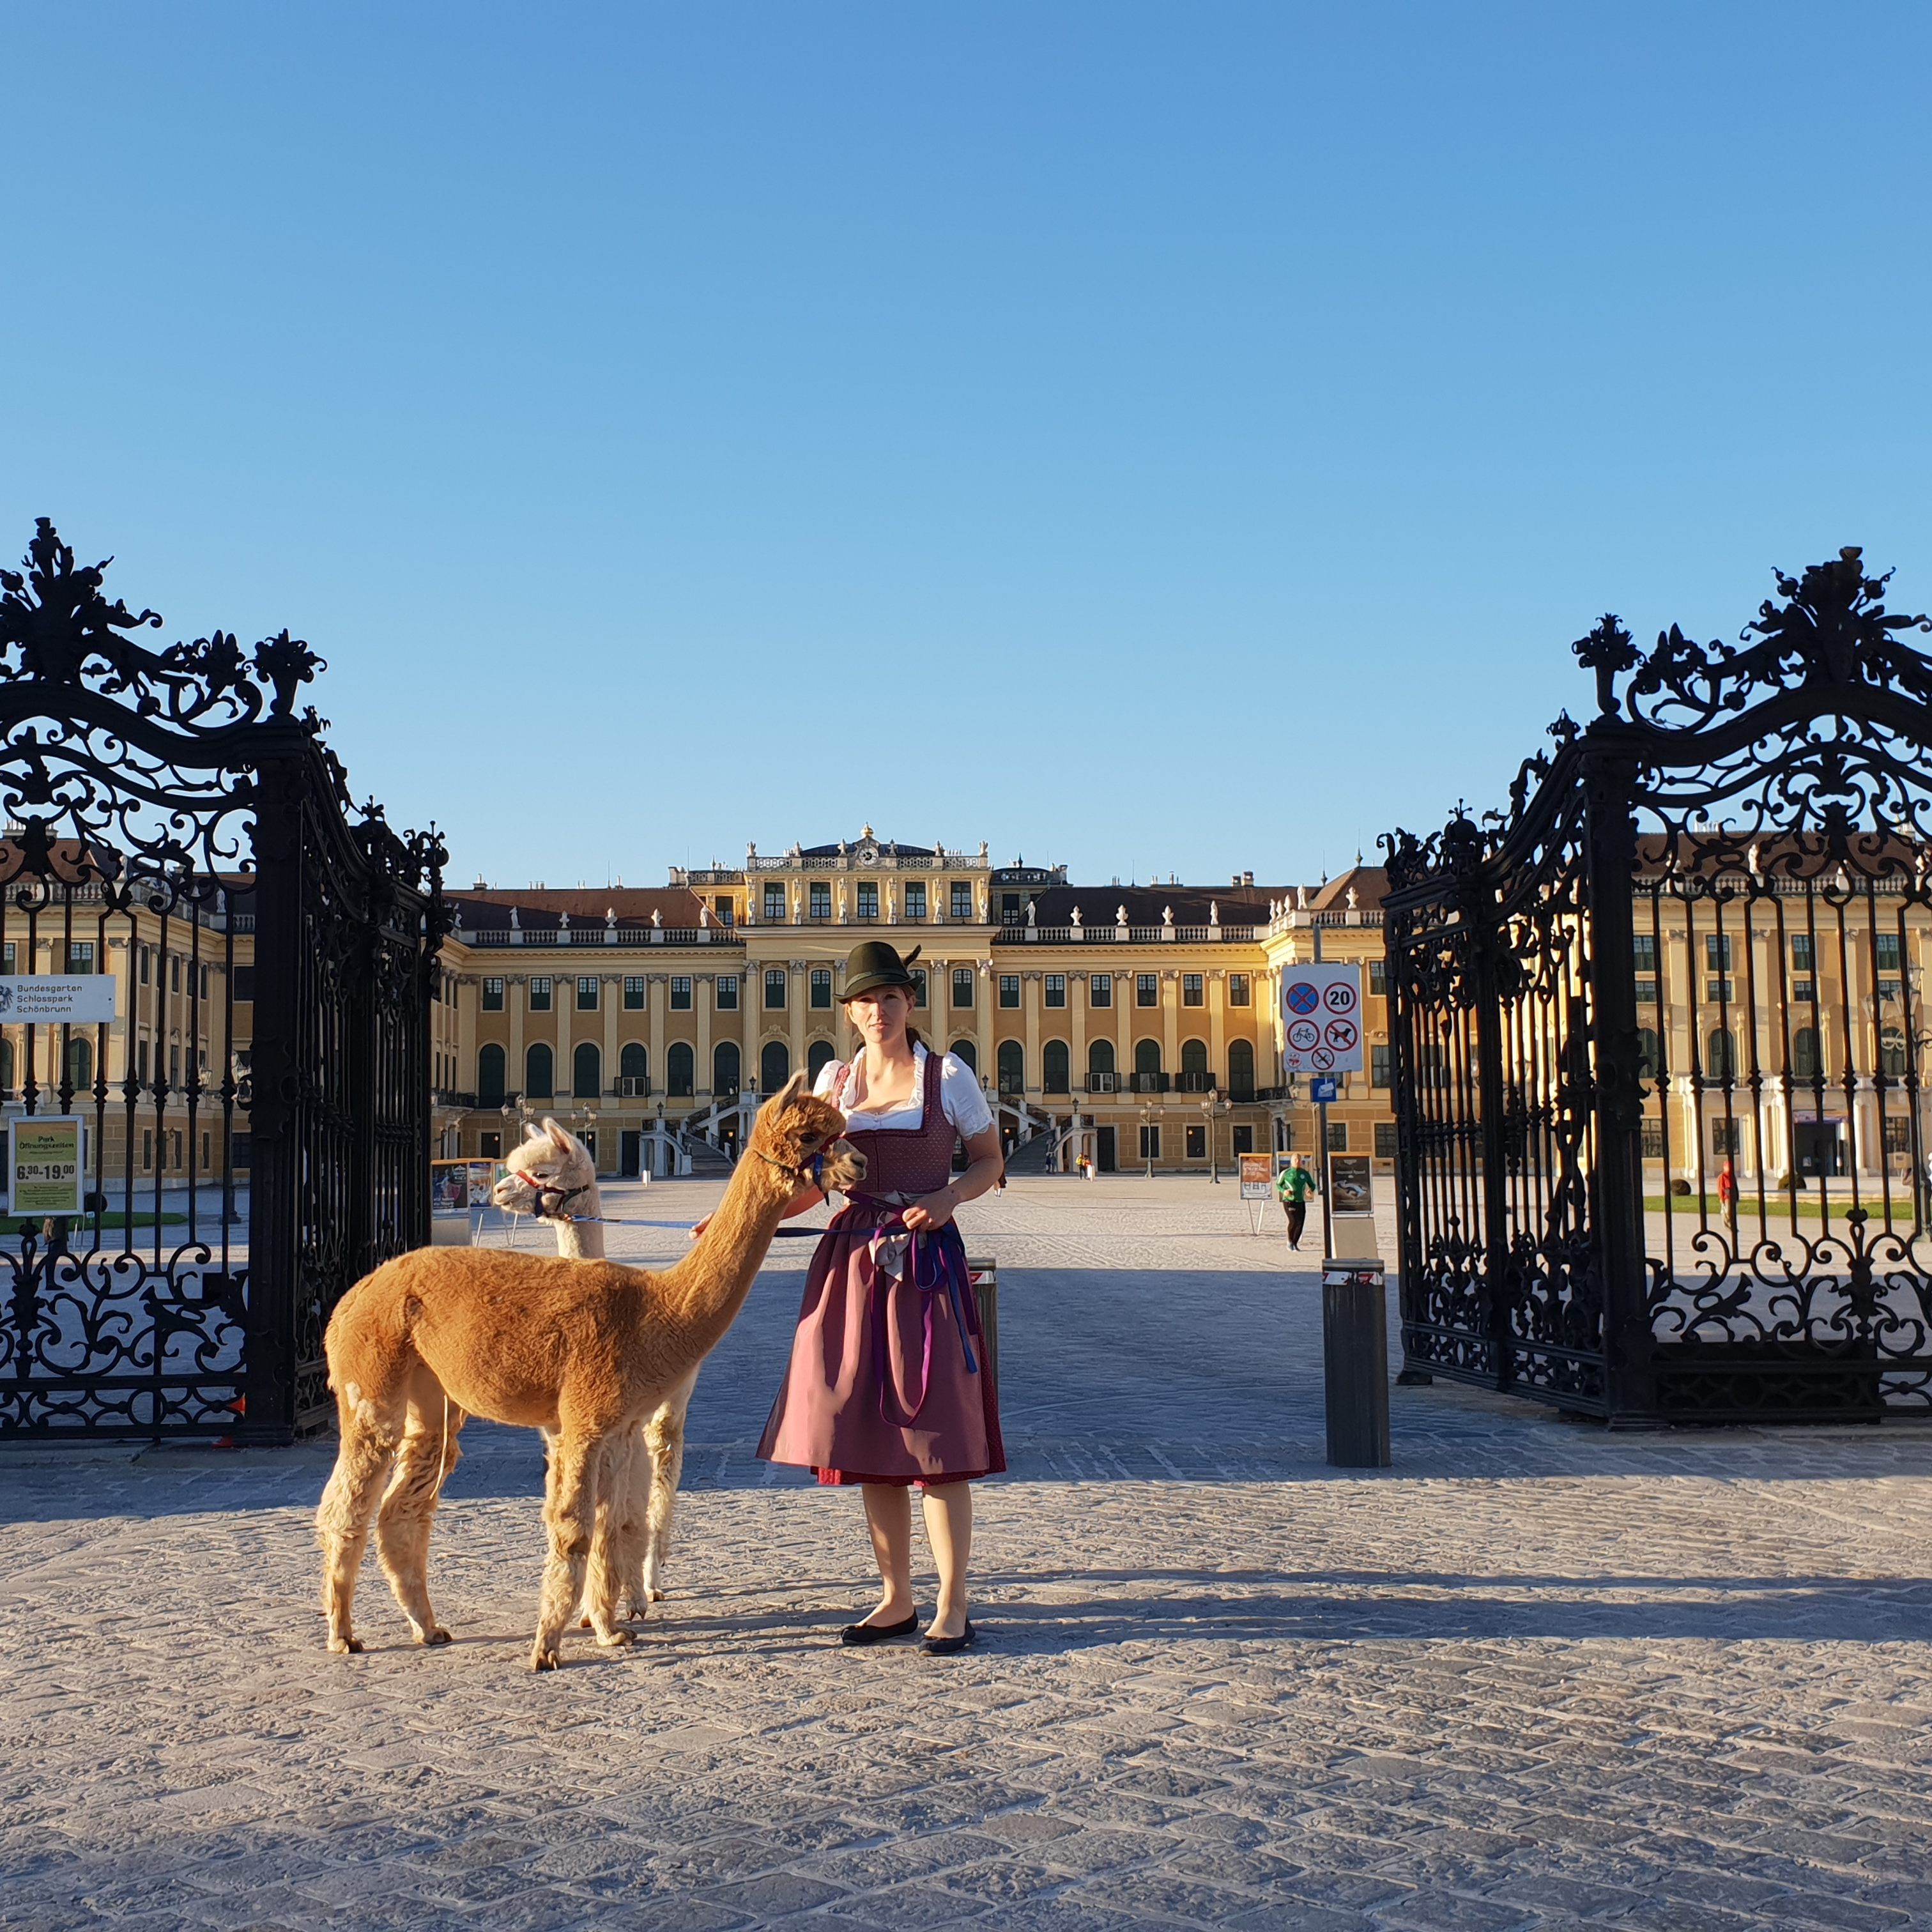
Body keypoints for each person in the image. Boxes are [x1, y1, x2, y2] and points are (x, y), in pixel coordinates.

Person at [747, 940, 1005, 1653]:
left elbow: (990, 1163)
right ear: (851, 1012)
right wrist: (747, 1215)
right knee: (871, 1438)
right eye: (864, 1000)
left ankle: (953, 1604)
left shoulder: (947, 1075)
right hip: (853, 1263)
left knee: (938, 1435)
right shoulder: (836, 1083)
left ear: (909, 1004)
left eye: (889, 998)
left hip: (926, 1264)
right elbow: (809, 1182)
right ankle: (895, 1598)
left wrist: (950, 1196)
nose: (877, 1011)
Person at [1276, 1153, 1315, 1250]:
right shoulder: (1286, 1173)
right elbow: (1278, 1185)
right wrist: (1284, 1191)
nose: (1297, 1162)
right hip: (1289, 1201)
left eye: (1299, 1160)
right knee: (1293, 1221)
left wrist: (1310, 1191)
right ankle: (1289, 1241)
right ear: (1291, 1161)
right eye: (1295, 1160)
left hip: (1300, 1201)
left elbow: (1313, 1185)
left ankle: (1295, 1243)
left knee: (1300, 1223)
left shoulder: (1304, 1173)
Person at [1717, 1160, 1738, 1234]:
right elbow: (1721, 1187)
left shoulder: (1732, 1176)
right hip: (1726, 1197)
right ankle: (1728, 1224)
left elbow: (1735, 1187)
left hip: (1732, 1196)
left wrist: (1737, 1196)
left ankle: (1731, 1224)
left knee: (1732, 1211)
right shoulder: (1722, 1176)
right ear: (1724, 1167)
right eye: (1728, 1167)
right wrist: (1721, 1198)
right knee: (1727, 1211)